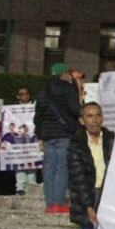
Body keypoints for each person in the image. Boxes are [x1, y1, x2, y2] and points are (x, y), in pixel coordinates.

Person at [66, 102, 114, 229]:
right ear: (82, 120)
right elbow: (78, 178)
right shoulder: (75, 143)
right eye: (89, 116)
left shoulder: (112, 140)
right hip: (89, 196)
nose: (94, 119)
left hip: (110, 196)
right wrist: (88, 206)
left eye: (97, 115)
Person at [34, 64, 82, 214]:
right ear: (65, 74)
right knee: (62, 168)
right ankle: (58, 203)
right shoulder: (67, 88)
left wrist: (40, 135)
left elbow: (38, 116)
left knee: (49, 170)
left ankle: (49, 204)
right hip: (63, 133)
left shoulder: (44, 91)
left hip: (48, 135)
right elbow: (75, 109)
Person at [12, 86, 38, 195]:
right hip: (18, 140)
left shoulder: (35, 107)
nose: (25, 96)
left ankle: (32, 184)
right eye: (22, 94)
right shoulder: (13, 109)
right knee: (19, 163)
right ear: (18, 96)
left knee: (32, 161)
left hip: (32, 138)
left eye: (26, 93)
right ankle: (20, 187)